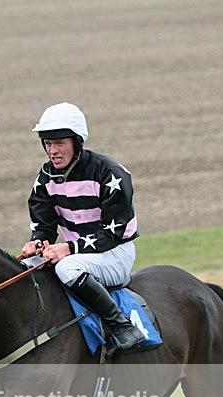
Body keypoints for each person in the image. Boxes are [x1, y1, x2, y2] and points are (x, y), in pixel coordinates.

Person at [21, 102, 148, 357]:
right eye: (47, 143)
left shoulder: (110, 174)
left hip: (115, 252)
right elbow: (44, 227)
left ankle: (122, 326)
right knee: (26, 267)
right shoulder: (44, 179)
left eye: (59, 143)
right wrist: (38, 242)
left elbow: (112, 234)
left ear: (77, 142)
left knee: (66, 268)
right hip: (78, 253)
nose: (52, 151)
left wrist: (68, 248)